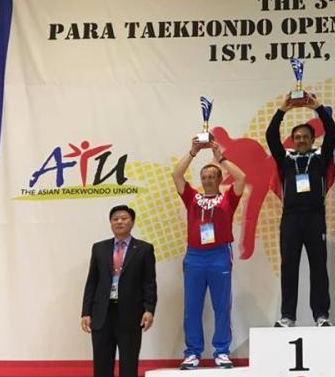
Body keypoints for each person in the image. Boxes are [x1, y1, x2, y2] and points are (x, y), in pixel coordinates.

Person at [172, 139, 246, 369]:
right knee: (192, 306)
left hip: (219, 255)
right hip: (194, 256)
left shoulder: (228, 199)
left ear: (220, 179)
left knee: (221, 305)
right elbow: (177, 175)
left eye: (212, 176)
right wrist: (193, 151)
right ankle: (193, 352)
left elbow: (242, 177)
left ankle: (221, 351)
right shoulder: (192, 197)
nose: (207, 180)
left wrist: (220, 158)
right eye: (204, 177)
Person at [266, 92, 335, 327]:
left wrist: (318, 108)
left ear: (312, 139)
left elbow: (333, 133)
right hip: (290, 219)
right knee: (289, 267)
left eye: (305, 137)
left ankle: (321, 315)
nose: (300, 140)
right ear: (292, 140)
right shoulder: (285, 158)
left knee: (319, 266)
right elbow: (270, 136)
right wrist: (282, 110)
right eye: (297, 137)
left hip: (315, 218)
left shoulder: (320, 157)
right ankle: (288, 316)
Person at [81, 205, 157, 377]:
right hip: (102, 314)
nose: (119, 221)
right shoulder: (99, 248)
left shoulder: (144, 249)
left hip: (130, 314)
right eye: (115, 219)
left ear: (132, 222)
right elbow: (92, 281)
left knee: (129, 365)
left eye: (124, 218)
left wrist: (149, 309)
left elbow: (149, 283)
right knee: (102, 365)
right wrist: (86, 312)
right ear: (110, 223)